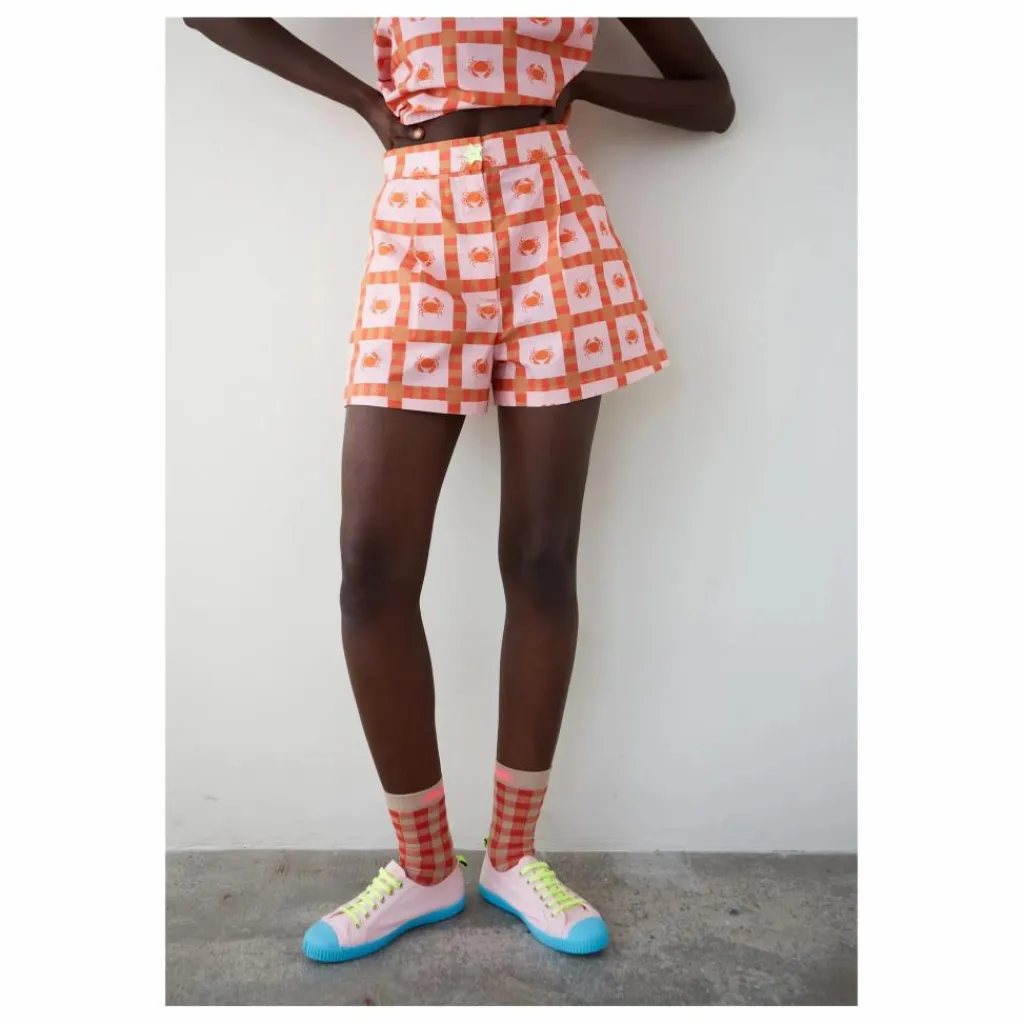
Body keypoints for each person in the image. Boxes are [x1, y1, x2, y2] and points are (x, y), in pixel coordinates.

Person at [182, 16, 734, 963]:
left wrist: (582, 87)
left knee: (541, 558)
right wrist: (365, 100)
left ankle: (514, 857)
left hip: (555, 233)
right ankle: (425, 867)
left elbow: (711, 100)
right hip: (419, 232)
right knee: (371, 570)